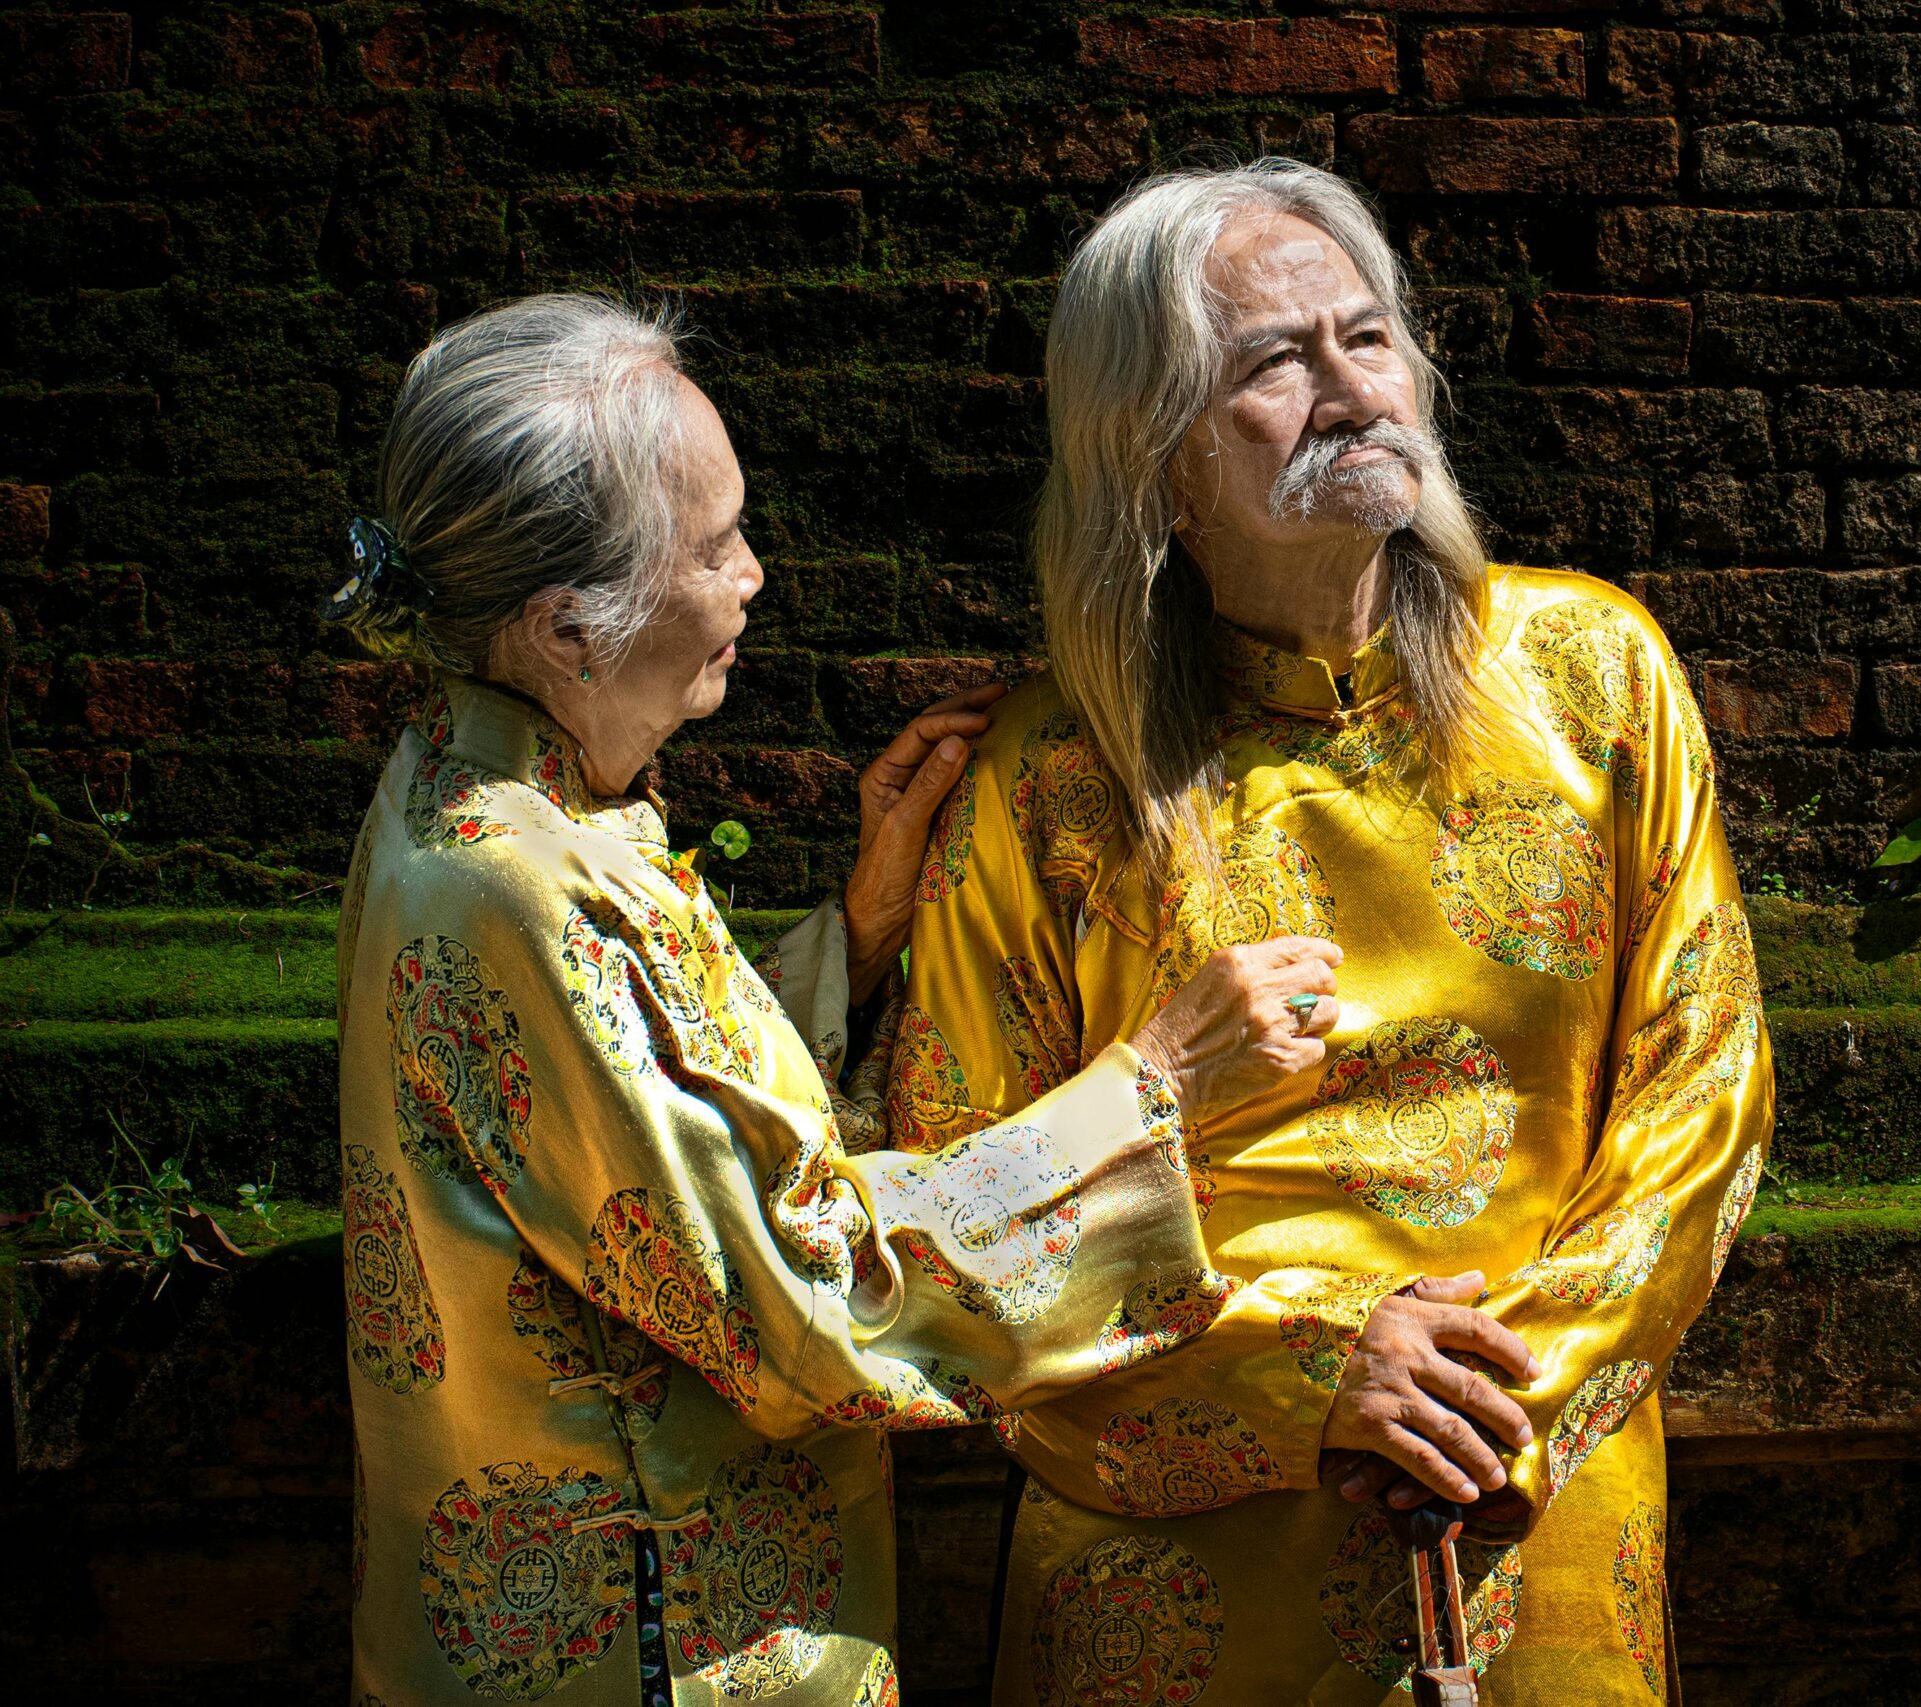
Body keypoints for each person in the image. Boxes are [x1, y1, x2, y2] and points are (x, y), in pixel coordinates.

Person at [330, 293, 1372, 1705]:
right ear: (568, 625)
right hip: (652, 1652)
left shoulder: (470, 784)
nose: (753, 577)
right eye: (714, 547)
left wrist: (861, 938)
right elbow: (806, 1306)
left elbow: (647, 1139)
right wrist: (1155, 1089)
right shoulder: (521, 885)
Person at [877, 159, 1776, 1705]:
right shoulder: (1045, 784)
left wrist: (1493, 1400)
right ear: (1154, 458)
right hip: (1183, 1575)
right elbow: (960, 1230)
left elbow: (1706, 1096)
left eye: (1368, 338)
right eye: (1276, 365)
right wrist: (1310, 1377)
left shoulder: (1597, 678)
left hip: (1528, 1509)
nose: (1354, 392)